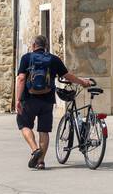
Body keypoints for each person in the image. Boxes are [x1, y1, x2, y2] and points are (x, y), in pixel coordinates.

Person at [14, 35, 94, 170]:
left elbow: (21, 78)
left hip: (28, 99)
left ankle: (35, 149)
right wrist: (82, 82)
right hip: (47, 100)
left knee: (24, 125)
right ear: (46, 46)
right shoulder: (53, 59)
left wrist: (17, 99)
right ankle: (41, 162)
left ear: (33, 46)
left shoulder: (26, 58)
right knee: (44, 130)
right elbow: (67, 76)